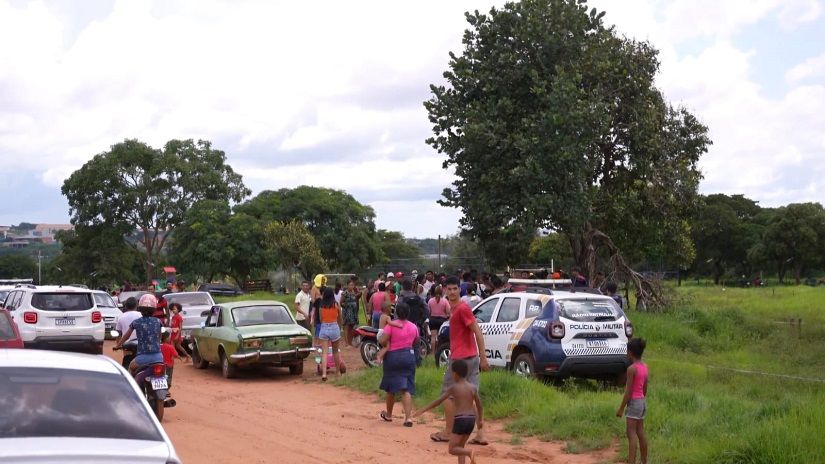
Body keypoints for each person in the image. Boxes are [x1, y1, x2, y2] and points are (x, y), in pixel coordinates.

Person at [430, 276, 489, 445]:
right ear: (444, 290)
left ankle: (449, 432)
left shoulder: (462, 309)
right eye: (449, 289)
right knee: (472, 396)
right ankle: (480, 434)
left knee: (447, 395)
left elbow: (477, 331)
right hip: (470, 358)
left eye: (455, 289)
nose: (452, 292)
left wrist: (483, 356)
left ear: (459, 290)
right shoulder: (455, 309)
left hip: (461, 360)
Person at [415, 359, 483, 464]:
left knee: (452, 449)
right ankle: (466, 454)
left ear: (455, 374)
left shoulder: (453, 388)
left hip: (460, 420)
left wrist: (423, 409)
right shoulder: (472, 388)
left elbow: (438, 401)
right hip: (471, 420)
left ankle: (470, 452)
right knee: (461, 446)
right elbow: (479, 406)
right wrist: (480, 420)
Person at [378, 301, 419, 427]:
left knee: (391, 388)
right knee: (406, 388)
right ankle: (408, 418)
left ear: (395, 312)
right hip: (408, 356)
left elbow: (383, 340)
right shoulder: (413, 327)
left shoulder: (391, 326)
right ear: (408, 313)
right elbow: (416, 341)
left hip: (393, 357)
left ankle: (389, 414)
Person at [617, 338, 648, 464]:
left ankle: (631, 461)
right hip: (642, 401)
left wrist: (621, 408)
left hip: (634, 402)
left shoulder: (631, 369)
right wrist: (641, 399)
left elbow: (628, 392)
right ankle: (644, 461)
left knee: (631, 434)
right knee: (640, 432)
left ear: (630, 352)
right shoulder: (645, 366)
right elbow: (645, 387)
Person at [116, 294, 163, 375]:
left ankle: (132, 386)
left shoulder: (136, 322)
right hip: (158, 357)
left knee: (130, 367)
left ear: (140, 309)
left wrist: (118, 345)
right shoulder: (158, 321)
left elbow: (126, 336)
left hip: (142, 358)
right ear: (154, 309)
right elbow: (159, 336)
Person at [317, 287, 344, 381]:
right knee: (335, 351)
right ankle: (338, 372)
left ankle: (324, 374)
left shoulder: (321, 305)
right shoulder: (336, 304)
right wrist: (339, 327)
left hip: (324, 327)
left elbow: (320, 319)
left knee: (324, 352)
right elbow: (340, 317)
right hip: (334, 327)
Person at [115, 297, 141, 369]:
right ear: (137, 305)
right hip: (140, 345)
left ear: (125, 306)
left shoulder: (121, 317)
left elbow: (119, 334)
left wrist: (118, 345)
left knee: (126, 363)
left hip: (127, 345)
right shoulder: (141, 315)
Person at [427, 285, 450, 356]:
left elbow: (429, 311)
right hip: (442, 320)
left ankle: (432, 353)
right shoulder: (445, 301)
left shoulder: (430, 300)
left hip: (433, 320)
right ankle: (439, 351)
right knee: (440, 338)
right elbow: (448, 312)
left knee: (433, 337)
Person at [340, 279, 361, 346]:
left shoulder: (354, 292)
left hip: (354, 312)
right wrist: (347, 307)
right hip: (347, 312)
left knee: (352, 327)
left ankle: (350, 341)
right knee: (346, 326)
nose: (351, 286)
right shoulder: (345, 293)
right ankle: (346, 342)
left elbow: (357, 298)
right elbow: (341, 302)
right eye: (350, 285)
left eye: (353, 285)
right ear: (347, 285)